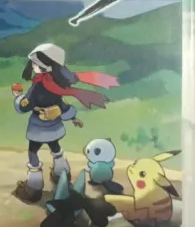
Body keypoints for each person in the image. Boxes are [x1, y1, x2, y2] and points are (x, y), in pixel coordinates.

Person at [12, 43, 118, 204]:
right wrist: (72, 117)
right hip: (54, 125)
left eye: (35, 63)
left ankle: (33, 187)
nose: (32, 66)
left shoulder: (38, 86)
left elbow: (25, 106)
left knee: (33, 152)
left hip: (38, 127)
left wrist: (18, 97)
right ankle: (61, 175)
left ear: (45, 67)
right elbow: (62, 105)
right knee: (56, 148)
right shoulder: (56, 85)